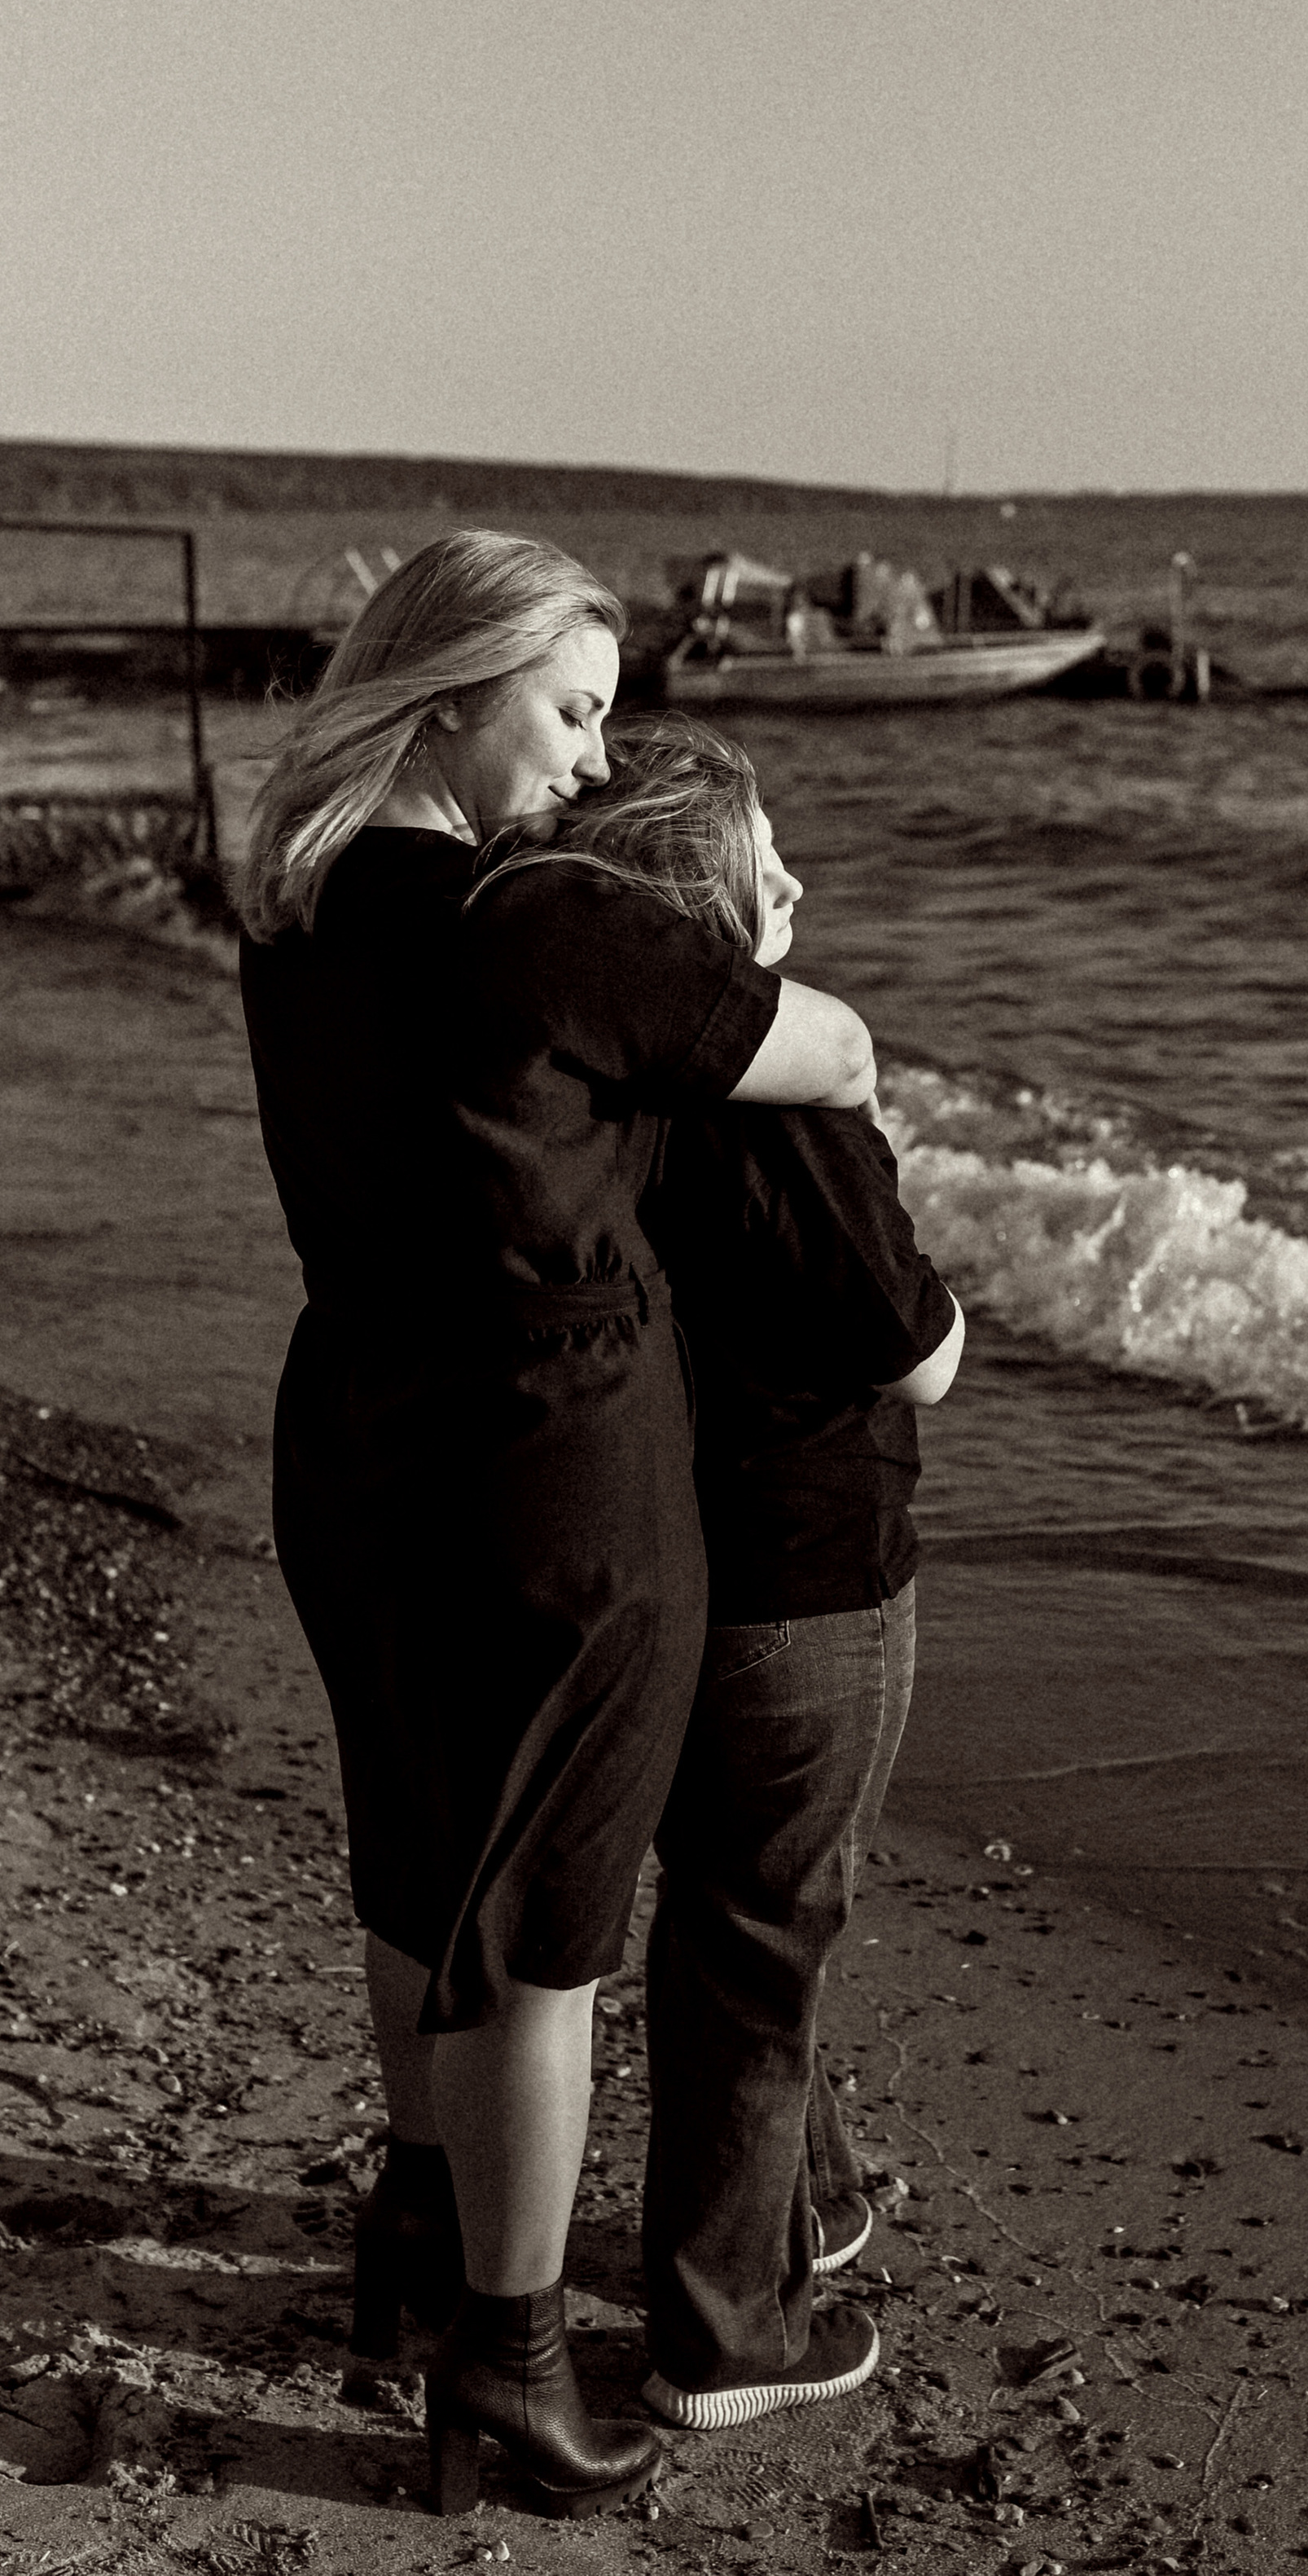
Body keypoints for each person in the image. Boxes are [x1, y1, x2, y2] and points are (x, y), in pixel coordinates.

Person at [236, 532, 877, 2518]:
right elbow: (822, 1043)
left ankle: (417, 2232)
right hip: (552, 1448)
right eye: (576, 712)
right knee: (545, 1933)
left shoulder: (299, 908)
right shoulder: (533, 920)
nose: (598, 767)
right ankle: (508, 2370)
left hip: (355, 1419)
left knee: (417, 1857)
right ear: (454, 690)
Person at [485, 714, 961, 2430]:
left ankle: (800, 2206)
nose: (800, 887)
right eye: (769, 870)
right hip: (810, 1570)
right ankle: (717, 2327)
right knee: (765, 1923)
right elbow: (911, 1350)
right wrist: (950, 1306)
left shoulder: (599, 1092)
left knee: (740, 1892)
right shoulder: (791, 1120)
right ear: (704, 910)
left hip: (666, 1545)